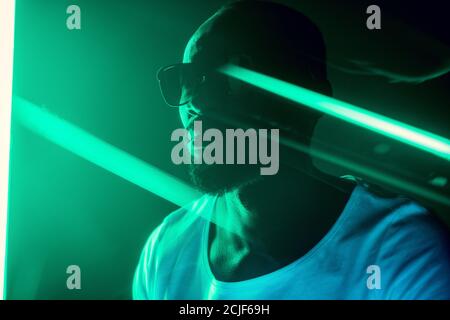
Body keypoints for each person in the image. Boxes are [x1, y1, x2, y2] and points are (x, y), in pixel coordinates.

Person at [133, 0, 450, 299]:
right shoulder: (164, 251)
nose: (199, 102)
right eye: (188, 79)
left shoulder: (401, 248)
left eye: (232, 73)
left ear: (311, 95)